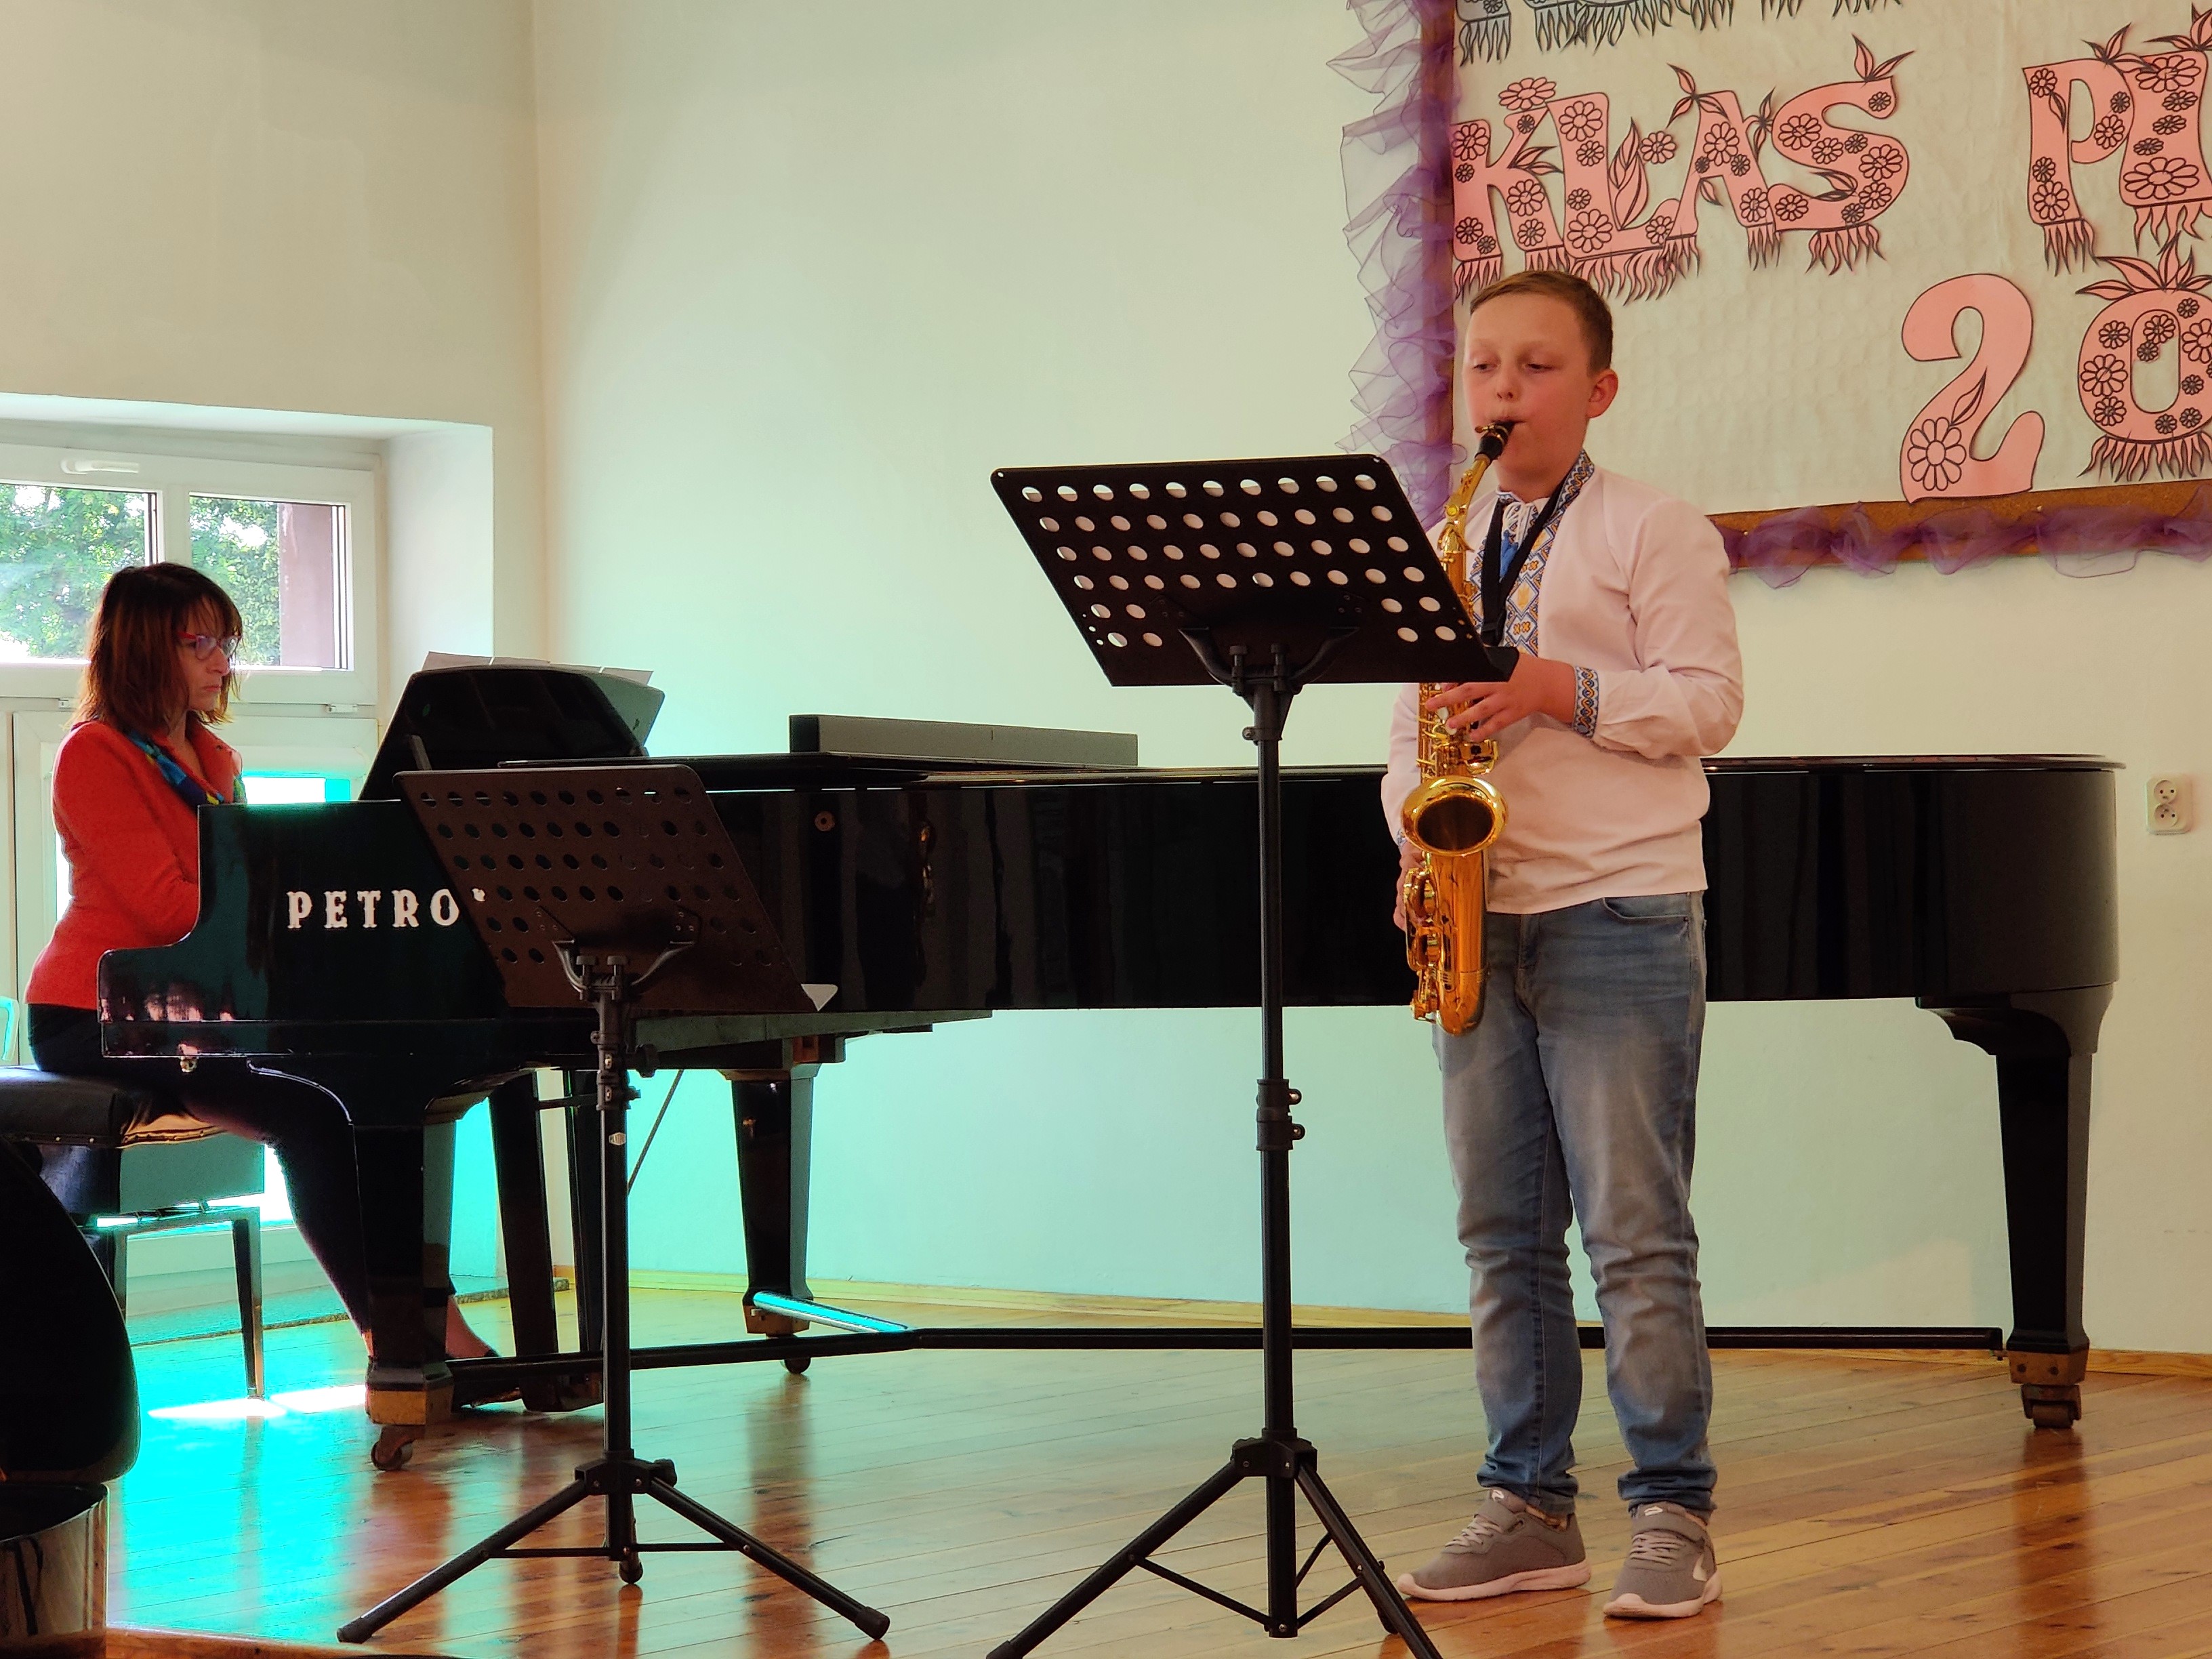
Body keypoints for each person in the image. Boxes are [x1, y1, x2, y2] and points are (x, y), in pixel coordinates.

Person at [1382, 269, 1743, 1620]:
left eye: (1534, 368)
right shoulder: (1444, 536)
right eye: (1483, 365)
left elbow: (1709, 704)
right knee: (1499, 1234)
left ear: (1597, 390)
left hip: (1619, 906)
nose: (1502, 390)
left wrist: (1554, 689)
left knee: (1633, 1231)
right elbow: (1407, 724)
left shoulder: (1652, 527)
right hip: (1483, 908)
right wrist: (1414, 839)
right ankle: (1527, 1505)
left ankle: (1672, 1510)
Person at [25, 562, 493, 1366]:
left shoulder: (215, 758)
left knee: (370, 1099)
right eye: (201, 642)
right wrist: (287, 918)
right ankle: (401, 1344)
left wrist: (303, 920)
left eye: (226, 643)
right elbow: (165, 908)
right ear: (145, 649)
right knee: (311, 1111)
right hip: (98, 1012)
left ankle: (433, 1329)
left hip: (198, 1006)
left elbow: (240, 895)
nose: (223, 661)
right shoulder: (95, 754)